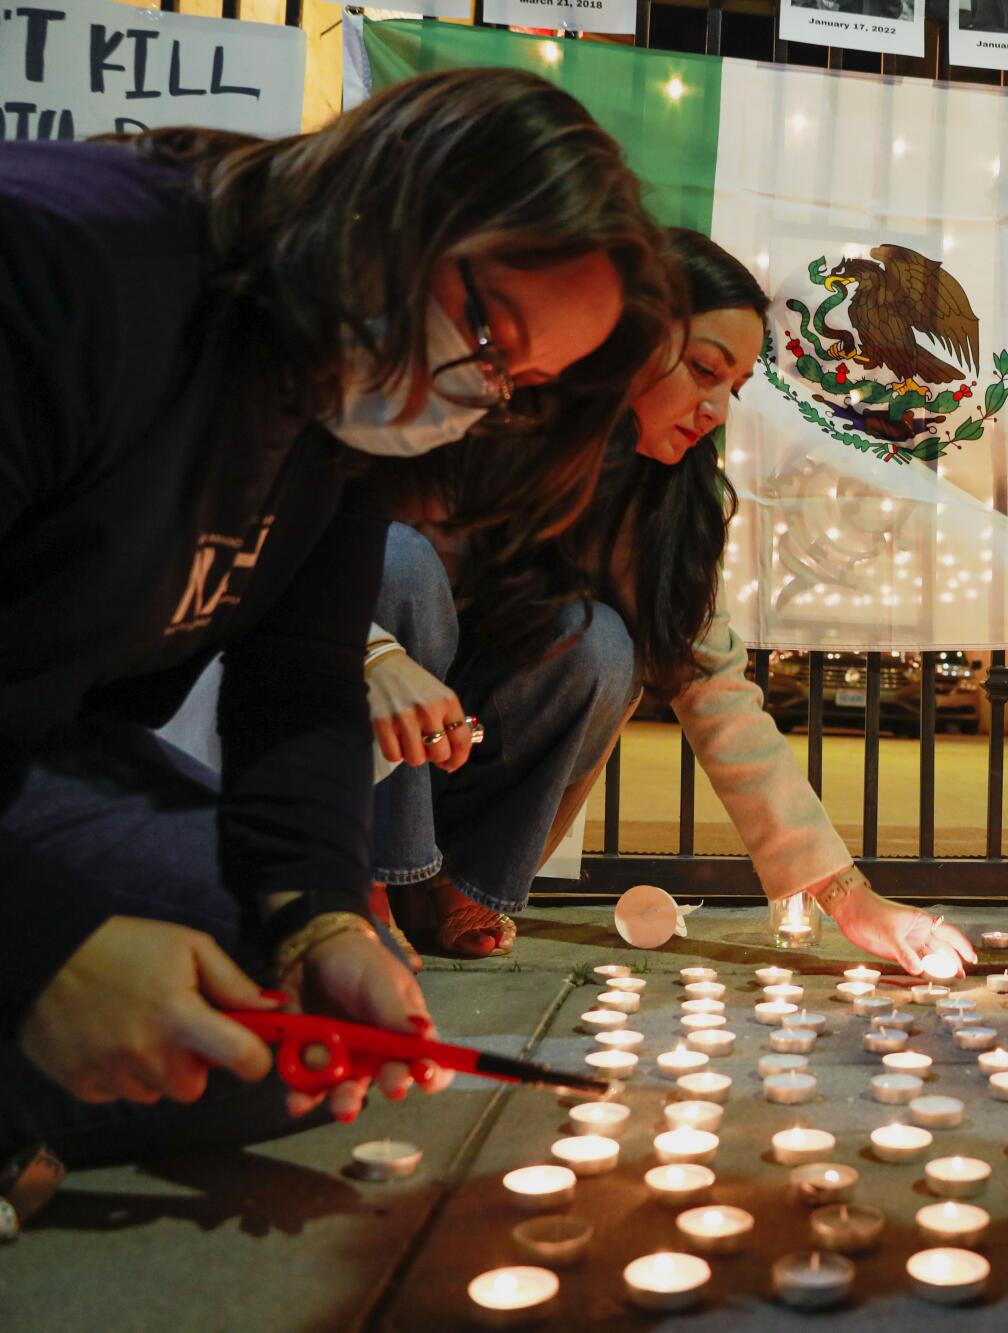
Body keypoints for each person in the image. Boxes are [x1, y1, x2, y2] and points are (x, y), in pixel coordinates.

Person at [0, 70, 675, 1166]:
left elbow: (304, 679)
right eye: (491, 335)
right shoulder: (66, 267)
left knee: (293, 1025)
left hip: (41, 760)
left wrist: (322, 915)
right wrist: (47, 945)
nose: (478, 396)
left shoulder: (337, 402)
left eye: (518, 385)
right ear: (398, 200)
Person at [360, 230, 977, 977]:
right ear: (633, 339)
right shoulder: (488, 408)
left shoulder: (662, 507)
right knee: (400, 559)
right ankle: (362, 887)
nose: (715, 407)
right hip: (351, 738)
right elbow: (322, 548)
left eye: (734, 388)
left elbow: (716, 692)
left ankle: (455, 882)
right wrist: (377, 653)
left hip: (467, 748)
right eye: (703, 370)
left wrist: (850, 897)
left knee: (600, 645)